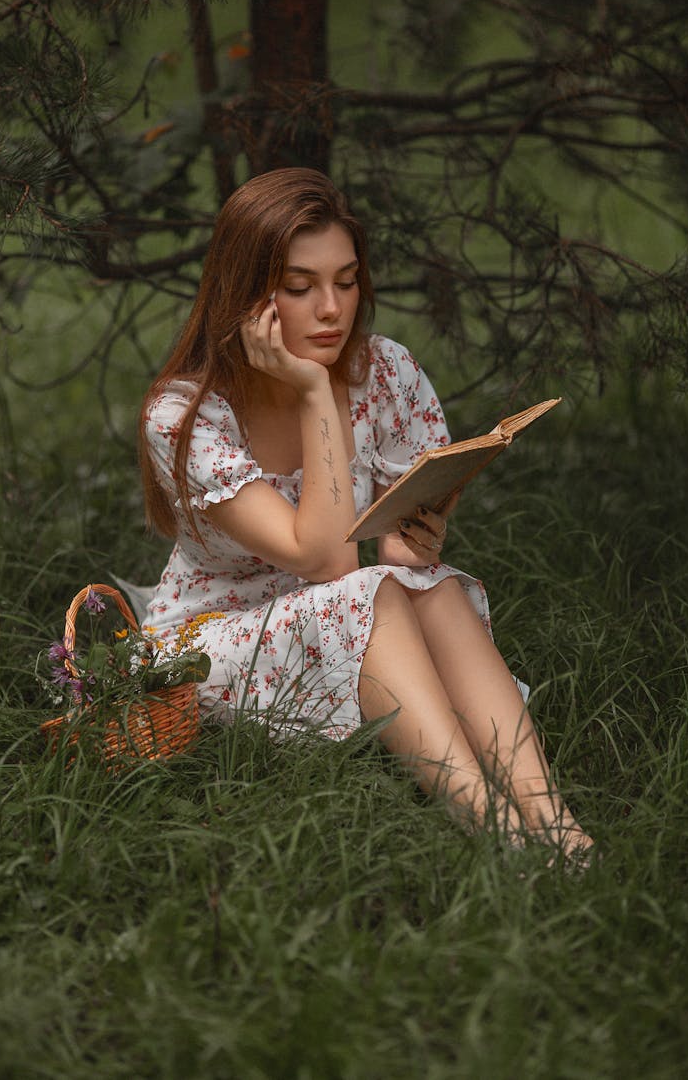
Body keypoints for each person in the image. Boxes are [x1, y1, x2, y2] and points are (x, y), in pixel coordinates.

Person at [138, 168, 592, 860]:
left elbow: (390, 562)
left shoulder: (384, 373)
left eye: (346, 282)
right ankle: (496, 833)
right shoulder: (184, 414)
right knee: (365, 593)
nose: (331, 309)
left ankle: (556, 826)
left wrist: (416, 540)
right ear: (246, 297)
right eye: (299, 287)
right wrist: (314, 393)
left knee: (430, 586)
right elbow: (324, 560)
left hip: (353, 607)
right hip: (214, 645)